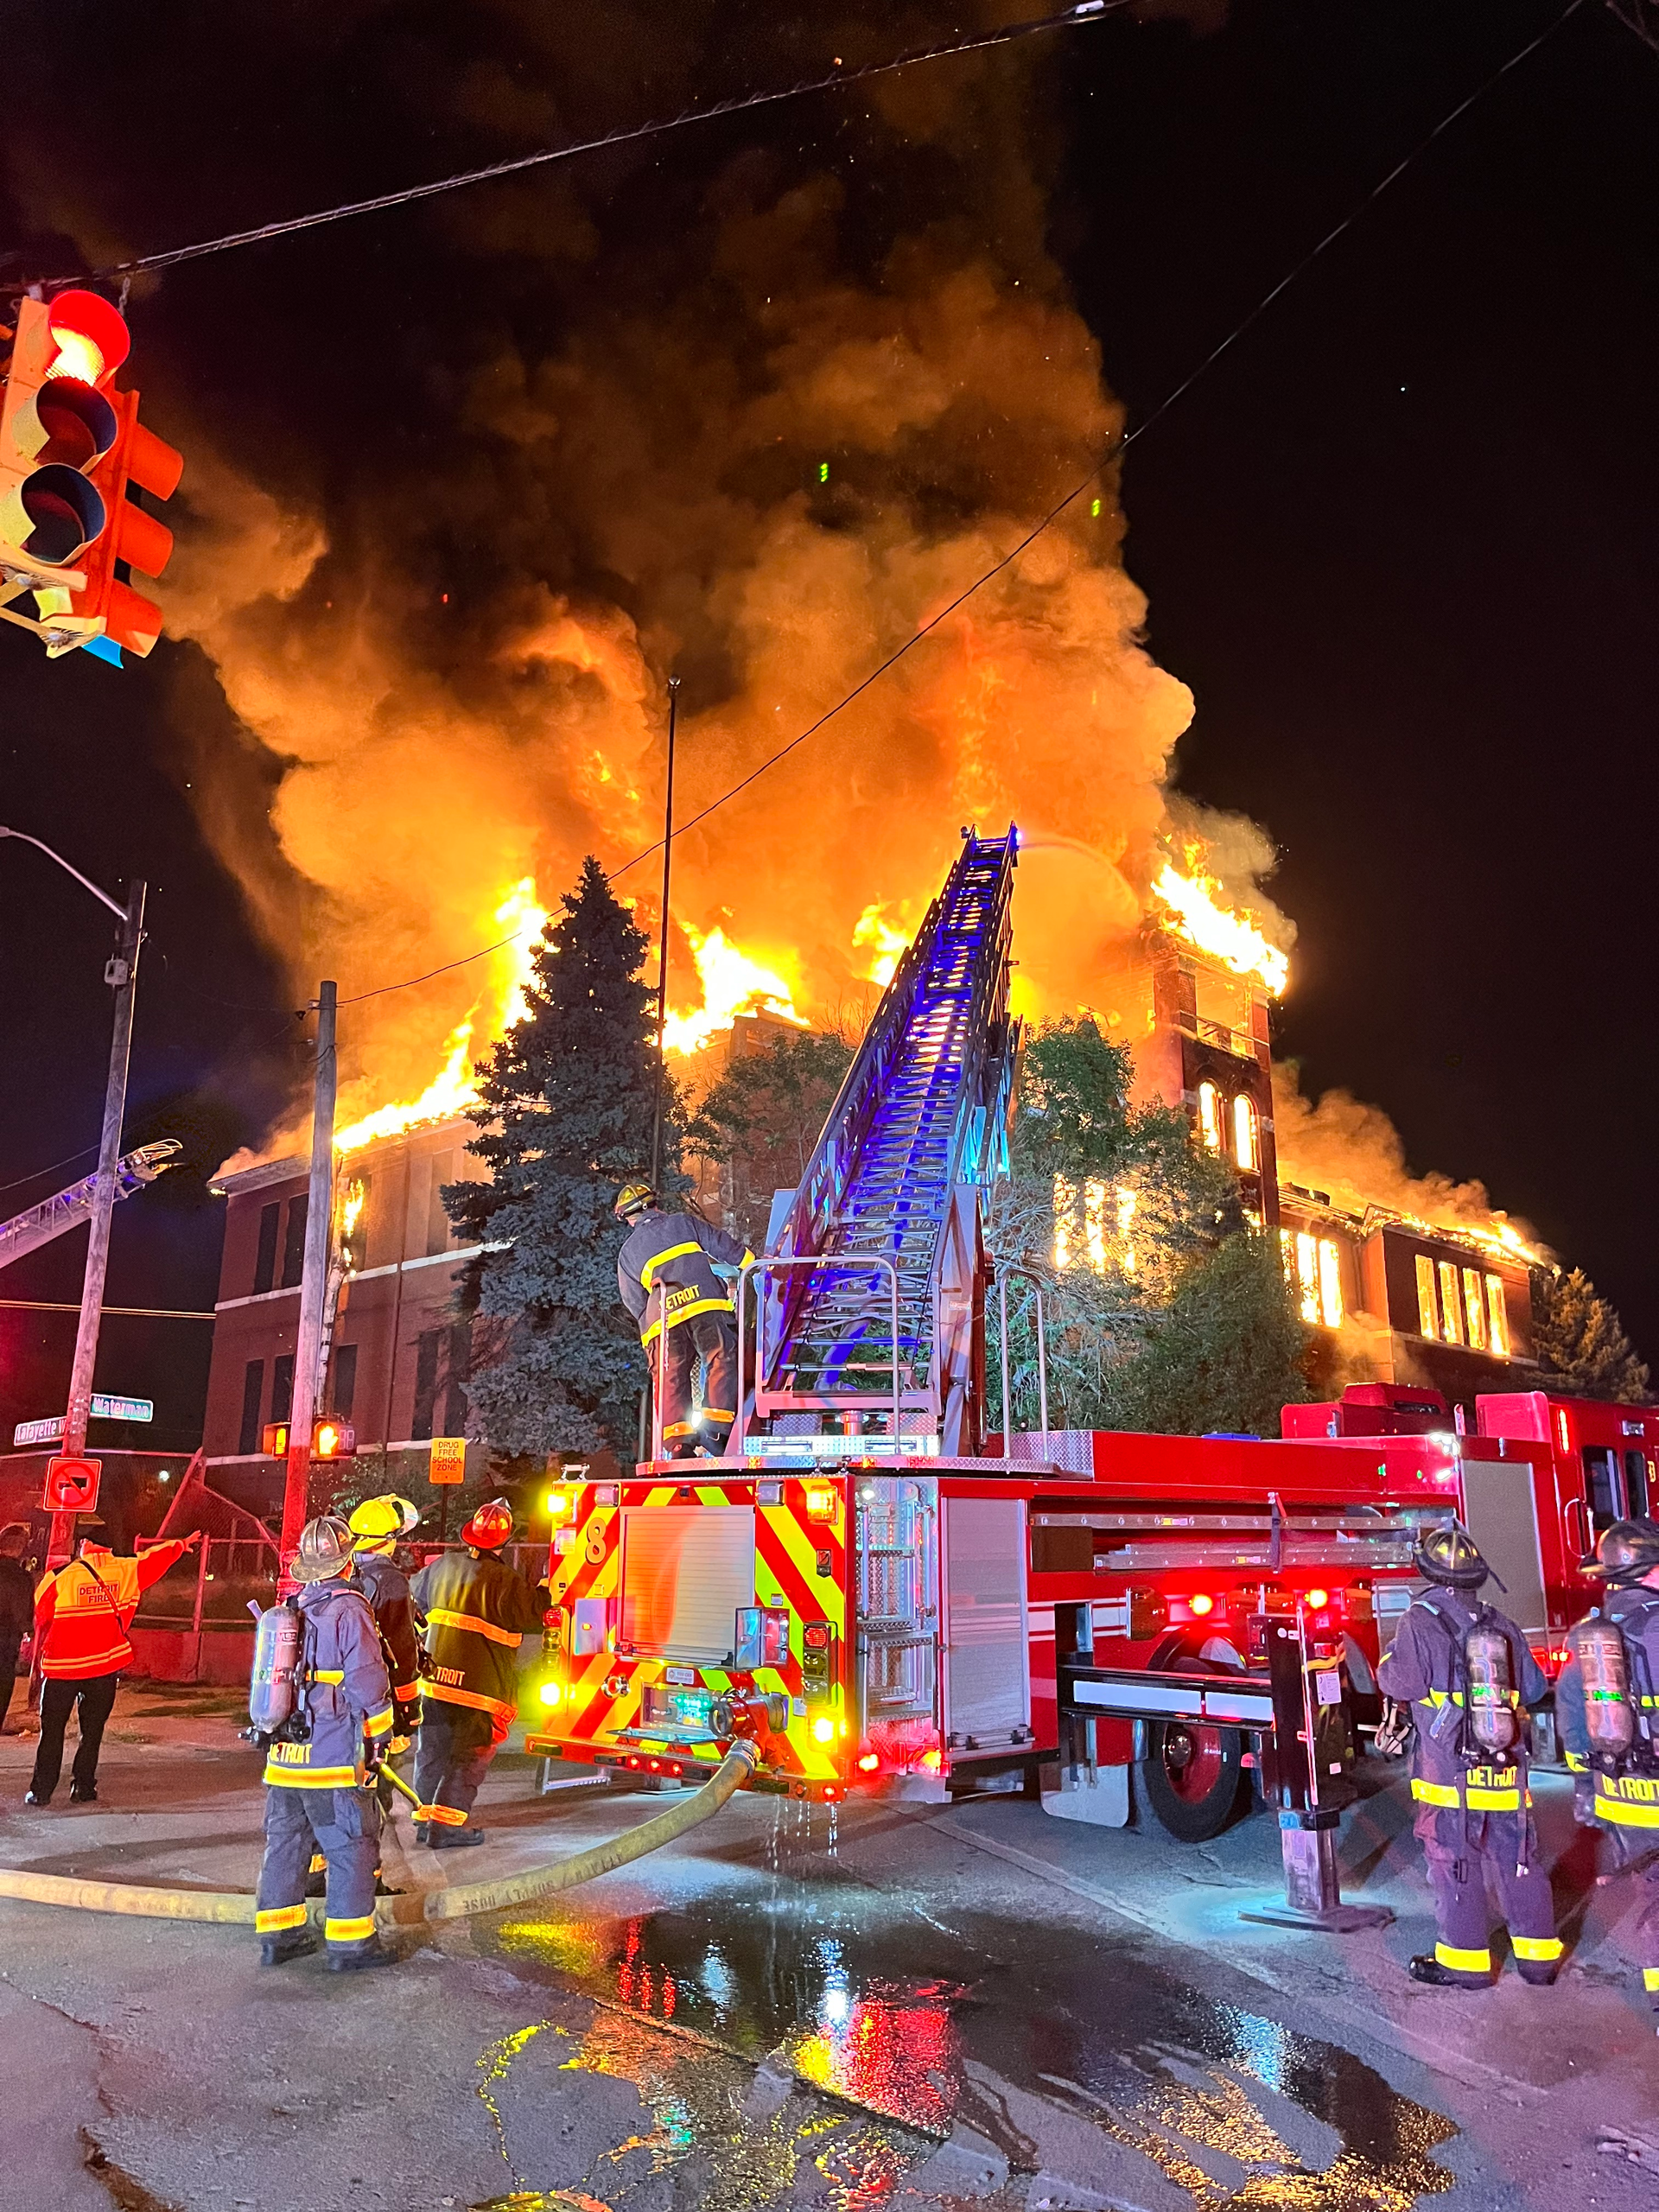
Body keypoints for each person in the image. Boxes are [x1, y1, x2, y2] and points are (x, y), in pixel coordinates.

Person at [1376, 1522, 1561, 1989]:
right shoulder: (1500, 1623)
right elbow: (1536, 1688)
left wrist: (1384, 1663)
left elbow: (1403, 1683)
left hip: (1450, 1771)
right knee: (1518, 1857)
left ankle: (1467, 1964)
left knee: (1454, 1859)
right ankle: (1538, 1961)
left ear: (1430, 1573)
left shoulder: (1418, 1619)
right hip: (1505, 1767)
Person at [253, 1514, 397, 1972]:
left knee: (286, 1845)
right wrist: (382, 1736)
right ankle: (352, 1945)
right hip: (333, 1758)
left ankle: (279, 1937)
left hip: (284, 1758)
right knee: (351, 1845)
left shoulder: (293, 1607)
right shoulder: (349, 1608)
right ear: (347, 1557)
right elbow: (367, 1682)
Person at [1554, 1517, 1659, 2021]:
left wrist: (1585, 1788)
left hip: (1623, 1795)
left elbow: (1571, 1716)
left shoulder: (1590, 1637)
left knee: (1652, 1898)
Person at [409, 1497, 547, 1847]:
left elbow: (415, 1601)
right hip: (480, 1690)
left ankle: (425, 1822)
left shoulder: (440, 1567)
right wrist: (547, 1588)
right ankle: (447, 1826)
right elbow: (536, 1615)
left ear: (469, 1534)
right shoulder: (506, 1580)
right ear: (504, 1541)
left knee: (432, 1753)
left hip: (436, 1682)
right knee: (469, 1756)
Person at [26, 1528, 196, 1806]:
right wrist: (180, 1544)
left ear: (86, 1545)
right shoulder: (129, 1571)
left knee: (52, 1732)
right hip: (104, 1667)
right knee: (92, 1733)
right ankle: (83, 1787)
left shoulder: (59, 1577)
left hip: (62, 1668)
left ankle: (42, 1791)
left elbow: (40, 1617)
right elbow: (156, 1557)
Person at [613, 1180, 752, 1458]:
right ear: (655, 1205)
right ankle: (716, 1429)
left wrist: (650, 1333)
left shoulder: (627, 1253)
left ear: (629, 1218)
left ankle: (678, 1444)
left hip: (662, 1319)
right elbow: (720, 1244)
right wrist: (753, 1263)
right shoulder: (682, 1223)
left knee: (670, 1376)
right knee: (720, 1356)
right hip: (706, 1303)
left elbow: (634, 1301)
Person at [0, 1523, 34, 1735]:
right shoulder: (22, 1578)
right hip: (7, 1639)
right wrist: (27, 1630)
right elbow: (24, 1611)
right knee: (3, 1682)